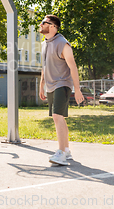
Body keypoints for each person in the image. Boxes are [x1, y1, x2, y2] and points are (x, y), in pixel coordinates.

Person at [38, 15, 83, 166]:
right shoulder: (44, 43)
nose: (40, 24)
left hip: (62, 83)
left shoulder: (63, 44)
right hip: (51, 85)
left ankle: (61, 153)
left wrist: (77, 89)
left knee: (57, 116)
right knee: (59, 117)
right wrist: (42, 84)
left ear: (52, 26)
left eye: (43, 22)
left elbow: (73, 67)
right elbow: (44, 65)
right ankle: (67, 150)